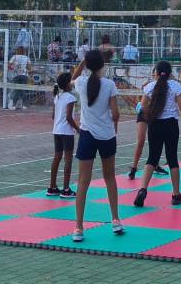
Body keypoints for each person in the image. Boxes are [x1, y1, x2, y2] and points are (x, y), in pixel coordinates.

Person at [72, 50, 124, 240]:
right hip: (107, 135)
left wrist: (82, 63)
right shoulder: (109, 85)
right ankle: (116, 220)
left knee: (83, 181)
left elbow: (72, 78)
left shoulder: (81, 82)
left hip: (87, 135)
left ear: (87, 64)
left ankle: (78, 227)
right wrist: (114, 124)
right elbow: (116, 113)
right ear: (102, 65)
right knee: (110, 177)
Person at [133, 60, 181, 208]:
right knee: (172, 158)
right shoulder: (176, 86)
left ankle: (142, 189)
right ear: (170, 73)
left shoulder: (150, 87)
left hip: (155, 124)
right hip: (171, 124)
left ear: (156, 73)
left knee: (152, 157)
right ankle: (176, 194)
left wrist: (150, 113)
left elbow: (141, 106)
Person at [127, 70, 169, 179]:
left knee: (156, 141)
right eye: (155, 73)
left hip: (154, 115)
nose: (156, 75)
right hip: (144, 114)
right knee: (141, 141)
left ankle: (155, 165)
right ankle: (134, 168)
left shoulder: (164, 86)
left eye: (157, 73)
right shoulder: (148, 85)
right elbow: (141, 101)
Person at [48, 73, 77, 198]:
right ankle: (66, 189)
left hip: (56, 130)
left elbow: (53, 116)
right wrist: (78, 129)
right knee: (68, 159)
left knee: (57, 157)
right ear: (68, 83)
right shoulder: (70, 98)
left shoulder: (57, 97)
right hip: (66, 132)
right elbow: (69, 118)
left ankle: (52, 187)